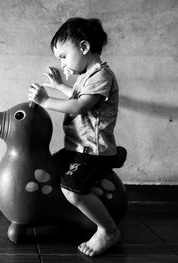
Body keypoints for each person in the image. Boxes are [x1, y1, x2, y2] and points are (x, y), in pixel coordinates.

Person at [28, 17, 121, 257]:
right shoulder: (86, 77)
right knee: (48, 167)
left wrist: (45, 101)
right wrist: (59, 84)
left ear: (84, 47)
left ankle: (108, 230)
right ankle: (63, 215)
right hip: (77, 147)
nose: (61, 61)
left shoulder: (102, 75)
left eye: (63, 55)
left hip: (94, 150)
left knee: (71, 188)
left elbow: (80, 105)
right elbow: (77, 94)